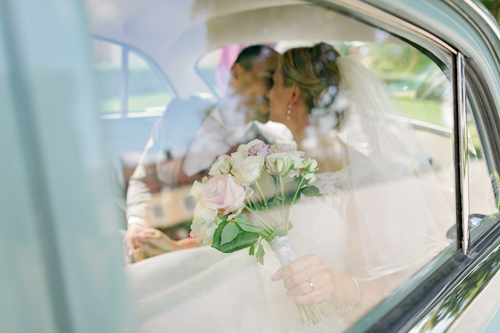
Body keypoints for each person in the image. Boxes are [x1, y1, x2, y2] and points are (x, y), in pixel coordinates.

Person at [125, 43, 452, 332]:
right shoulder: (277, 157)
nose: (268, 95)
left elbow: (382, 293)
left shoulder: (360, 180)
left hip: (291, 311)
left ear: (293, 95)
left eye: (275, 83)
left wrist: (330, 285)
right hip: (244, 278)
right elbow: (251, 230)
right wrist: (175, 248)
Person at [125, 45, 293, 262]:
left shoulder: (265, 154)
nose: (273, 93)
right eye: (269, 79)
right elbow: (143, 181)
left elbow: (250, 229)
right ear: (236, 73)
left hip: (201, 260)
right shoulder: (178, 114)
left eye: (280, 85)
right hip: (144, 243)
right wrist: (137, 226)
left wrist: (175, 249)